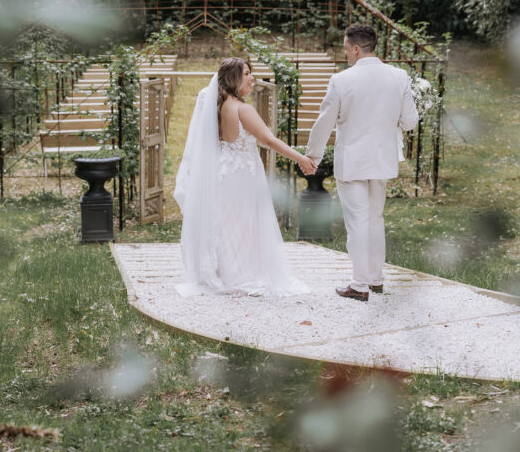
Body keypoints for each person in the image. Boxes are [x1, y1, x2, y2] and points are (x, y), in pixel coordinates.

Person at [174, 57, 313, 297]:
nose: (252, 78)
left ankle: (225, 274)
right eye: (246, 73)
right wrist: (300, 158)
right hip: (243, 174)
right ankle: (242, 274)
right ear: (233, 78)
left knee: (226, 224)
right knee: (246, 225)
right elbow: (269, 140)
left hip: (222, 172)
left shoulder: (215, 105)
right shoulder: (242, 108)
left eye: (251, 73)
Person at [305, 24, 419, 302]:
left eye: (345, 48)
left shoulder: (341, 80)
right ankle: (376, 279)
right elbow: (410, 121)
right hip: (382, 161)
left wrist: (312, 156)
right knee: (374, 219)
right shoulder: (399, 76)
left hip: (353, 162)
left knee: (357, 222)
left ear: (356, 48)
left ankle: (359, 285)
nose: (345, 54)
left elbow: (324, 123)